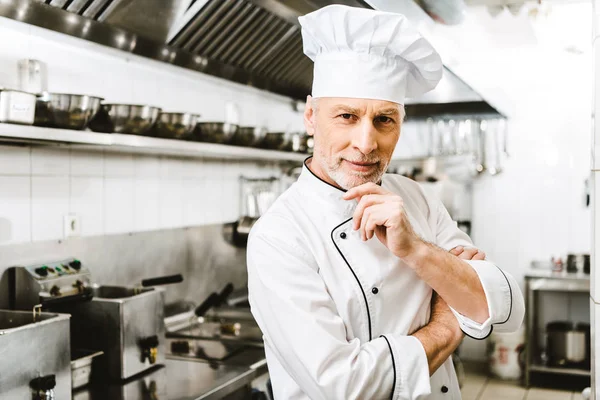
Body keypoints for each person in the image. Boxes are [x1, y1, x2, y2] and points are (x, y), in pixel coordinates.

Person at [247, 5, 524, 400]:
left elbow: (505, 305)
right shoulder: (279, 236)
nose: (366, 143)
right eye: (346, 116)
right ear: (311, 116)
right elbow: (348, 387)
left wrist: (417, 250)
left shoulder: (416, 199)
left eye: (384, 120)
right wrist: (446, 324)